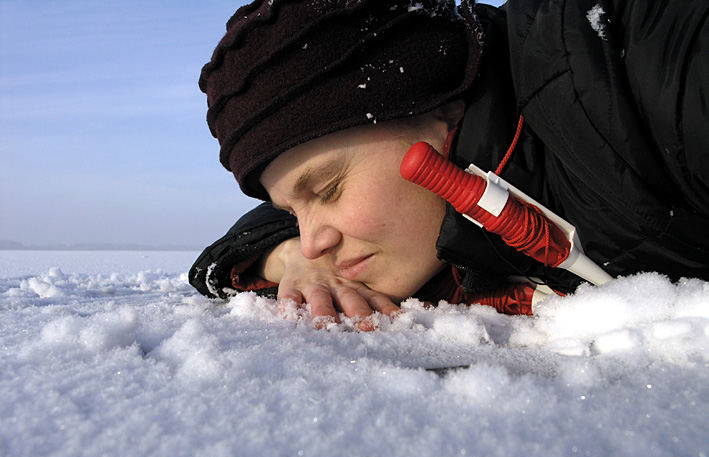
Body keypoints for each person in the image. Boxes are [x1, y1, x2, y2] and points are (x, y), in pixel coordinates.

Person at [189, 0, 709, 324]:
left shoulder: (637, 70)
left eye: (326, 190)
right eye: (295, 213)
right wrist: (288, 259)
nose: (313, 239)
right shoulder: (433, 233)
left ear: (439, 106)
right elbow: (229, 249)